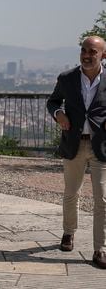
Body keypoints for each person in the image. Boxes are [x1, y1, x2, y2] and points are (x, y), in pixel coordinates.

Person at [47, 36, 106, 269]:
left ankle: (99, 249)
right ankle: (68, 233)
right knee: (71, 193)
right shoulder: (67, 78)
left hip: (102, 145)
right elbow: (53, 102)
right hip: (74, 143)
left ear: (103, 55)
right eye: (83, 50)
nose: (86, 55)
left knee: (102, 199)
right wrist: (58, 114)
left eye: (92, 51)